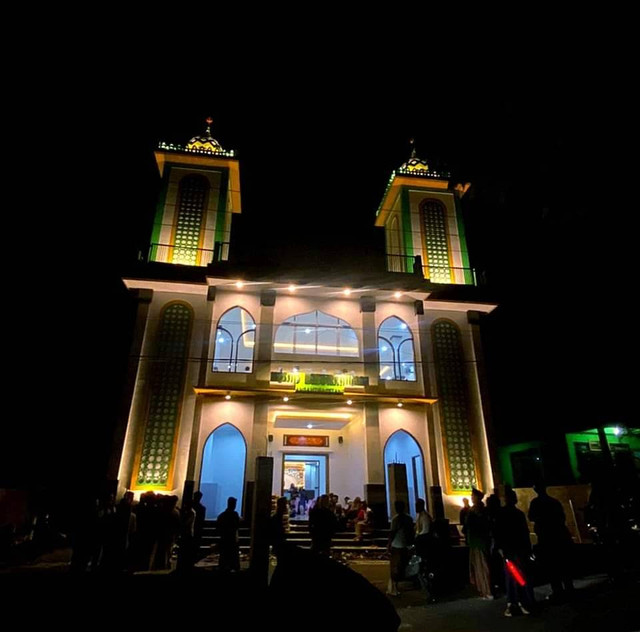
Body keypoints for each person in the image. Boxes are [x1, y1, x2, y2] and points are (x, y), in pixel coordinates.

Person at [528, 482, 574, 601]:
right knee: (562, 564)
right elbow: (561, 517)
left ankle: (558, 591)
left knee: (552, 565)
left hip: (547, 537)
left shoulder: (536, 503)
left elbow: (531, 517)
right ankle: (568, 588)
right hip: (557, 535)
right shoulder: (553, 502)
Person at [496, 488, 534, 617]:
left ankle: (515, 602)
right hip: (516, 549)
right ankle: (521, 602)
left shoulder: (505, 514)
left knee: (513, 576)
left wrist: (500, 548)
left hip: (512, 550)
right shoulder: (517, 514)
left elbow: (498, 532)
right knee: (519, 576)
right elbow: (524, 533)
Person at [466, 488, 492, 599]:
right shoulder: (482, 510)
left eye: (473, 496)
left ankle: (487, 590)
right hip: (478, 541)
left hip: (478, 542)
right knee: (480, 566)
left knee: (482, 567)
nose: (472, 498)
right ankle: (484, 589)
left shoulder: (475, 511)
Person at [386, 500, 414, 596]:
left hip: (397, 545)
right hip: (405, 544)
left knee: (395, 566)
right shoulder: (409, 519)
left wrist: (389, 544)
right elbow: (411, 532)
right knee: (402, 565)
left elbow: (392, 533)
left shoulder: (396, 519)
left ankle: (394, 587)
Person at [217, 496, 240, 572]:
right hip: (232, 541)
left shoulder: (221, 516)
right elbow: (237, 526)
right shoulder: (235, 515)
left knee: (223, 561)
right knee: (234, 562)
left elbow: (218, 529)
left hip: (224, 540)